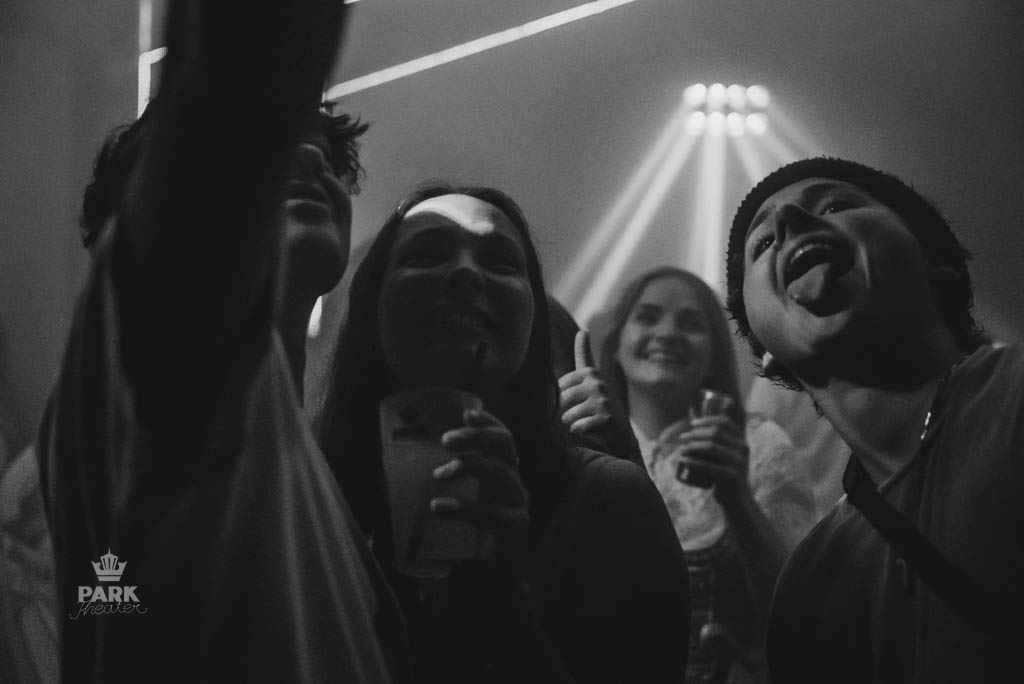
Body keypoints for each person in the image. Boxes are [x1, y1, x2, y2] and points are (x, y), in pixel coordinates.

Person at [37, 2, 409, 681]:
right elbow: (237, 73)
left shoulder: (312, 463)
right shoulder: (148, 352)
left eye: (327, 154)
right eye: (277, 142)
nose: (310, 157)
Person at [317, 184, 690, 682]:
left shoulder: (610, 500)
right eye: (427, 254)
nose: (467, 272)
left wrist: (507, 601)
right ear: (370, 307)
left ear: (533, 325)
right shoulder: (313, 492)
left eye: (499, 261)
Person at [725, 156, 1019, 682]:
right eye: (763, 243)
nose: (789, 220)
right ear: (765, 352)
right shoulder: (811, 588)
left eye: (835, 205)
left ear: (934, 258)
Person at [590, 266, 815, 684]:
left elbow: (805, 612)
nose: (668, 332)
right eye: (647, 317)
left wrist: (736, 497)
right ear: (616, 345)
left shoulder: (761, 447)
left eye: (691, 323)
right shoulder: (585, 447)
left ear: (713, 354)